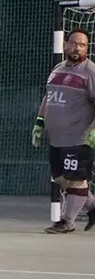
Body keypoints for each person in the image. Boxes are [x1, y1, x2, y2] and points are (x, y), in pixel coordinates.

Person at [33, 29, 95, 233]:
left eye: (83, 45)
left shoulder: (90, 71)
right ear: (65, 45)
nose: (77, 48)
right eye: (74, 43)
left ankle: (67, 222)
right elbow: (48, 97)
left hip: (79, 138)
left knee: (76, 180)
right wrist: (40, 123)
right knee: (61, 178)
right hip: (57, 139)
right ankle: (93, 207)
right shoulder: (57, 69)